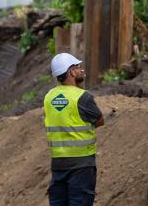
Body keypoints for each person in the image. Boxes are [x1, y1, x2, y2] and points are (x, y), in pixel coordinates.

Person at [44, 53, 103, 206]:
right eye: (77, 67)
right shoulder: (83, 97)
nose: (81, 70)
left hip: (58, 164)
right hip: (81, 165)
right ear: (71, 72)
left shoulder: (49, 97)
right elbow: (99, 120)